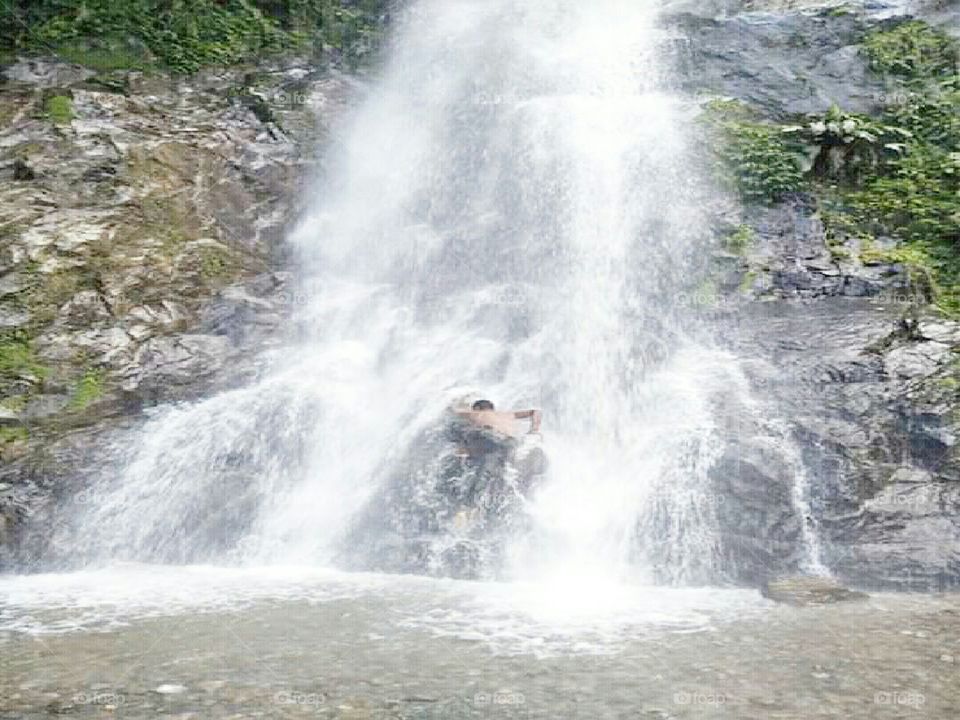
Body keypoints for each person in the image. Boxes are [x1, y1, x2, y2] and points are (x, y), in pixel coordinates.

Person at [453, 399, 542, 439]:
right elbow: (535, 412)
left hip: (494, 435)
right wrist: (534, 429)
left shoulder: (477, 413)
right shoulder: (508, 414)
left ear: (477, 408)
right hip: (514, 438)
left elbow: (455, 411)